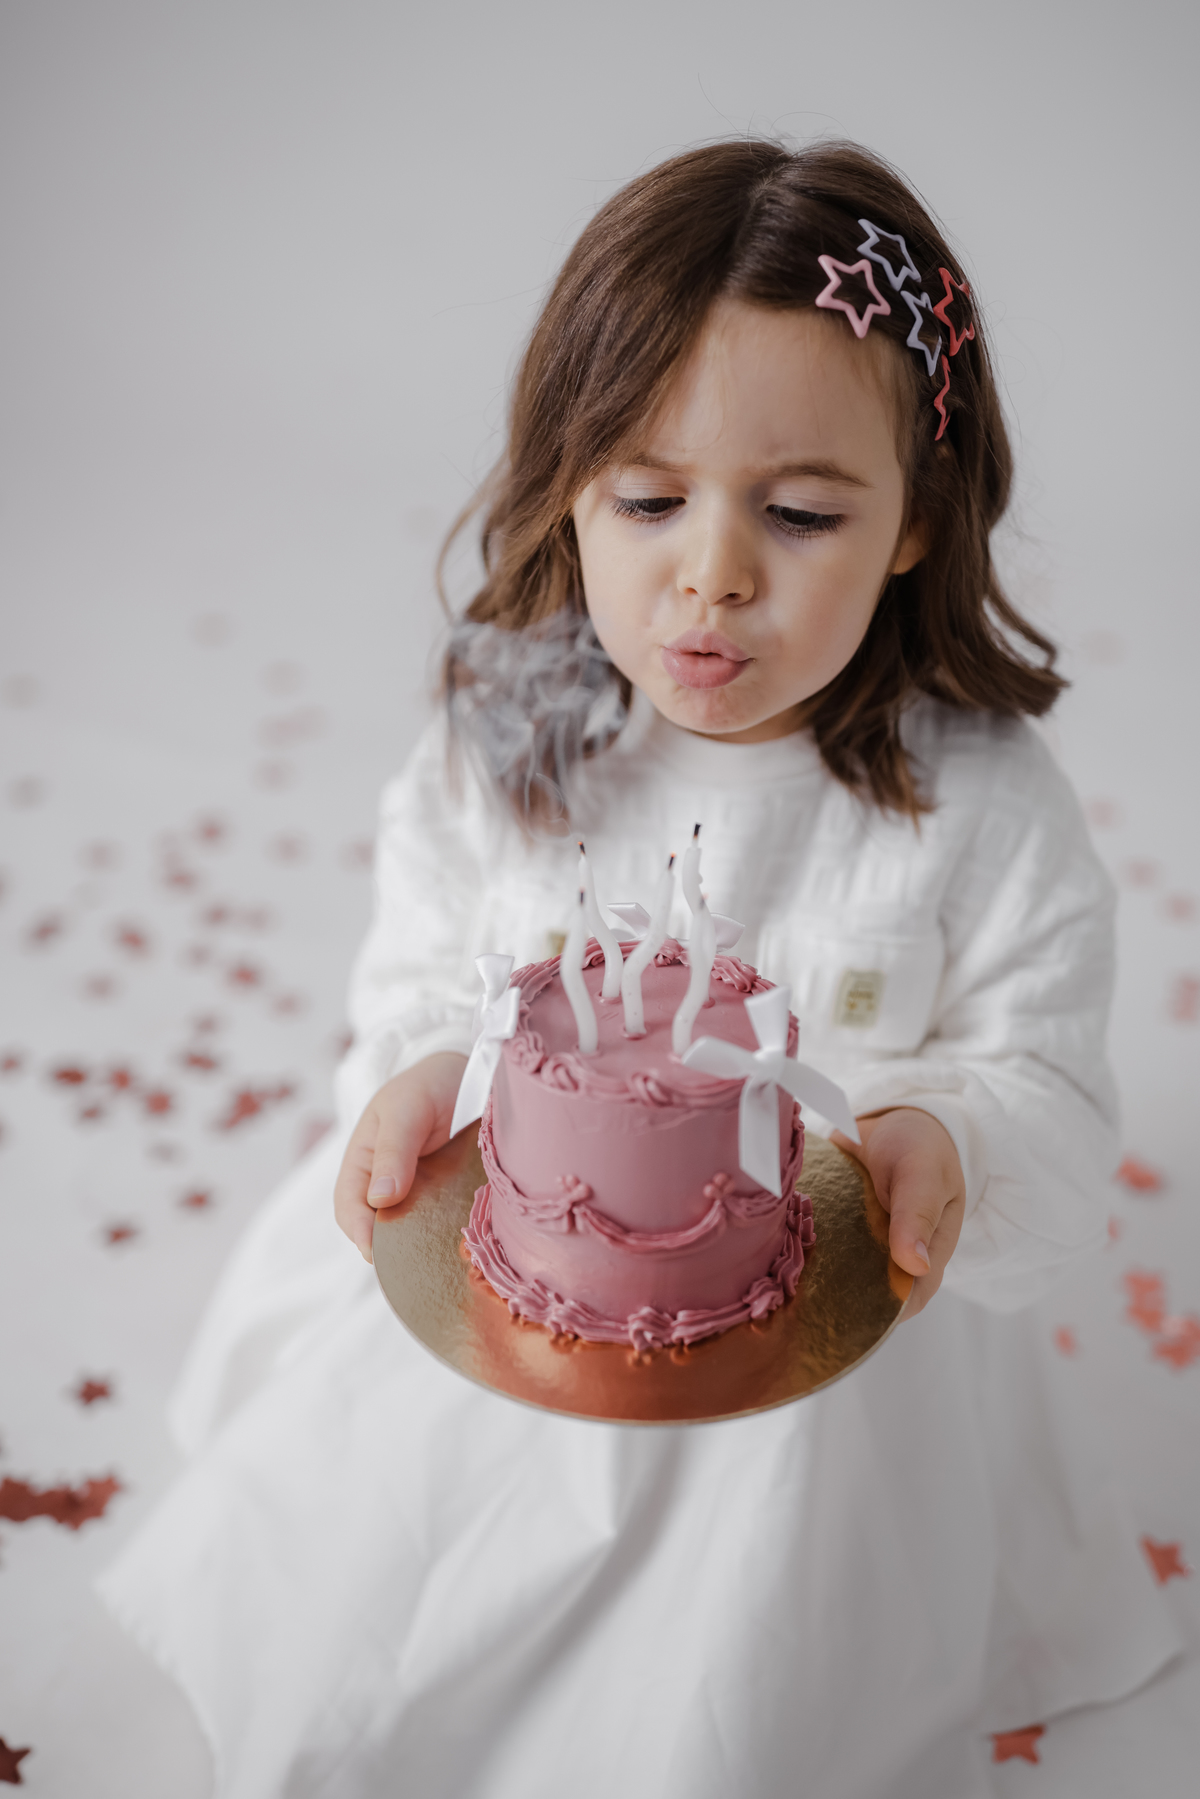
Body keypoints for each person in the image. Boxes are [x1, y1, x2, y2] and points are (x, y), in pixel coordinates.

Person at [100, 140, 1181, 1799]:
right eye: (649, 498)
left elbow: (1038, 1067)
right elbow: (418, 979)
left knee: (750, 1631)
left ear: (912, 525)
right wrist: (410, 1079)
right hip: (525, 1284)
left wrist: (943, 1138)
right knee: (389, 1574)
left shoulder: (977, 807)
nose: (716, 573)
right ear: (566, 487)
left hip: (810, 1350)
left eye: (803, 510)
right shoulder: (512, 747)